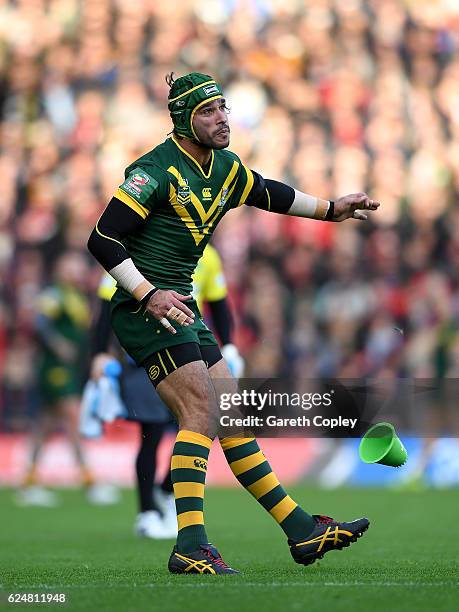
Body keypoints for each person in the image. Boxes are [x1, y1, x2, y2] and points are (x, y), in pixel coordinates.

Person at [88, 72, 380, 575]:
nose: (222, 117)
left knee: (233, 418)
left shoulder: (225, 168)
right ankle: (190, 545)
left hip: (181, 307)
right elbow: (102, 238)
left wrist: (331, 210)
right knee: (202, 412)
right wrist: (148, 293)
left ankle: (302, 530)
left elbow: (270, 193)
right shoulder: (153, 170)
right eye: (207, 111)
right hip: (146, 309)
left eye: (222, 106)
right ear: (183, 119)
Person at [92, 244, 243, 538]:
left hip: (187, 353)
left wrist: (230, 346)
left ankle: (167, 488)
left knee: (200, 425)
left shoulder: (209, 255)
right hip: (142, 350)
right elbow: (105, 306)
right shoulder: (134, 250)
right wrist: (99, 352)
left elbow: (219, 304)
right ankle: (146, 512)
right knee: (151, 432)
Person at [18, 251, 95, 506]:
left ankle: (29, 480)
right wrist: (58, 343)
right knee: (72, 416)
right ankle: (88, 480)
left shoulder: (76, 296)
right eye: (71, 266)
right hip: (55, 367)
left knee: (46, 422)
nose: (77, 271)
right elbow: (39, 322)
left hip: (69, 368)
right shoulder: (55, 295)